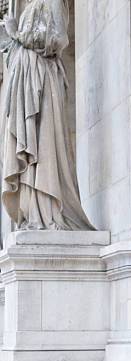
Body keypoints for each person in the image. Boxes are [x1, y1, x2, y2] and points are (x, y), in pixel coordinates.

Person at [1, 0, 95, 230]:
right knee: (31, 147)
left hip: (41, 82)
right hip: (26, 80)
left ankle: (49, 211)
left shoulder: (52, 1)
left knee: (43, 145)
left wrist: (17, 34)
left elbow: (57, 39)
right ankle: (34, 213)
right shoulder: (30, 6)